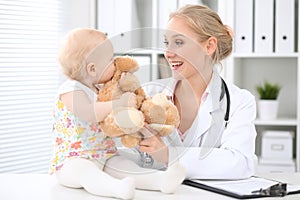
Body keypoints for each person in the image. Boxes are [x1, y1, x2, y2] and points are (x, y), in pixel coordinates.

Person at [49, 28, 185, 200]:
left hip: (103, 154)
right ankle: (115, 188)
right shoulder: (71, 90)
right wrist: (118, 103)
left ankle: (161, 181)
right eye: (111, 60)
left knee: (125, 166)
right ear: (92, 69)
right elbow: (89, 114)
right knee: (86, 173)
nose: (116, 63)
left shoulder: (99, 89)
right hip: (72, 160)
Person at [135, 4, 257, 180]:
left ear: (209, 46)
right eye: (166, 43)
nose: (168, 53)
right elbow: (126, 153)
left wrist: (169, 155)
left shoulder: (240, 101)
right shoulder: (148, 94)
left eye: (178, 42)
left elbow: (239, 163)